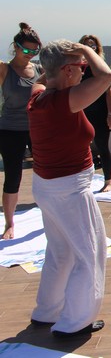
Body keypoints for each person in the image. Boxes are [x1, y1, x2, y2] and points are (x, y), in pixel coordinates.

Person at [27, 39, 111, 337]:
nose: (83, 73)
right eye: (79, 69)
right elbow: (106, 77)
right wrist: (85, 50)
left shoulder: (38, 95)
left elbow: (44, 78)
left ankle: (47, 312)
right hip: (69, 189)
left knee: (60, 252)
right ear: (67, 71)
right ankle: (74, 322)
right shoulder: (63, 103)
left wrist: (62, 62)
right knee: (90, 254)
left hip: (46, 186)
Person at [0, 22, 42, 239]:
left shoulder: (38, 70)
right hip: (10, 129)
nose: (30, 54)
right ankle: (9, 223)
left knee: (46, 172)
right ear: (15, 47)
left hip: (37, 128)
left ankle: (50, 212)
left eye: (35, 51)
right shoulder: (4, 69)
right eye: (26, 50)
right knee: (13, 176)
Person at [78, 35, 111, 192]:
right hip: (82, 112)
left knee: (102, 147)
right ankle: (82, 180)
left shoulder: (101, 67)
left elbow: (108, 92)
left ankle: (108, 181)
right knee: (80, 148)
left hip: (100, 112)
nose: (90, 49)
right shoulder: (77, 67)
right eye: (86, 46)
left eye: (93, 46)